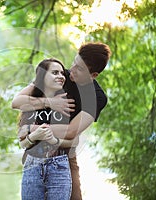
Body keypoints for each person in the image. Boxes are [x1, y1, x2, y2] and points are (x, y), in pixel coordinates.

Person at [12, 42, 111, 200]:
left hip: (65, 154)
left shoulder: (96, 98)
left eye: (79, 68)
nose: (72, 70)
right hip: (36, 151)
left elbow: (71, 131)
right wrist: (49, 102)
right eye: (74, 62)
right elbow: (17, 101)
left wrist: (32, 128)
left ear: (93, 75)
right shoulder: (60, 75)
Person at [18, 58, 77, 200]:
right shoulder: (31, 103)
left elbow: (74, 141)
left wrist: (54, 140)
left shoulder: (66, 103)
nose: (61, 76)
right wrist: (35, 136)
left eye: (62, 73)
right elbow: (22, 143)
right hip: (32, 164)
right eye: (55, 73)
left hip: (59, 165)